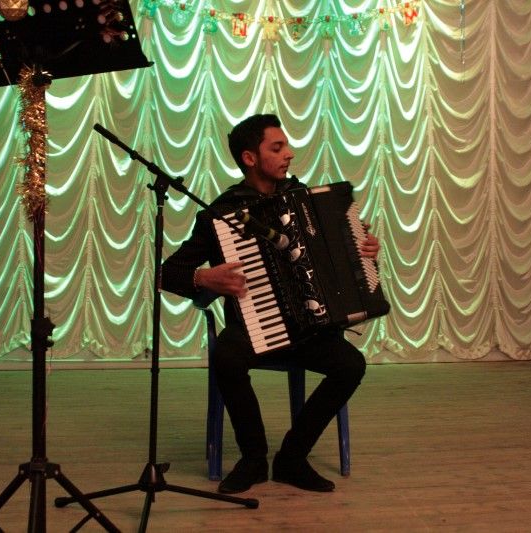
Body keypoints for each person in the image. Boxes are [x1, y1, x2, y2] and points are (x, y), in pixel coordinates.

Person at [161, 114, 380, 494]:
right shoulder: (222, 213)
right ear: (250, 158)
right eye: (277, 148)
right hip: (256, 326)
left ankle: (292, 458)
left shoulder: (308, 201)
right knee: (227, 356)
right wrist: (203, 277)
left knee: (350, 365)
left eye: (286, 146)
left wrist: (364, 251)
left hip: (311, 328)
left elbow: (341, 261)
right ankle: (253, 459)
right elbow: (168, 273)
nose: (289, 154)